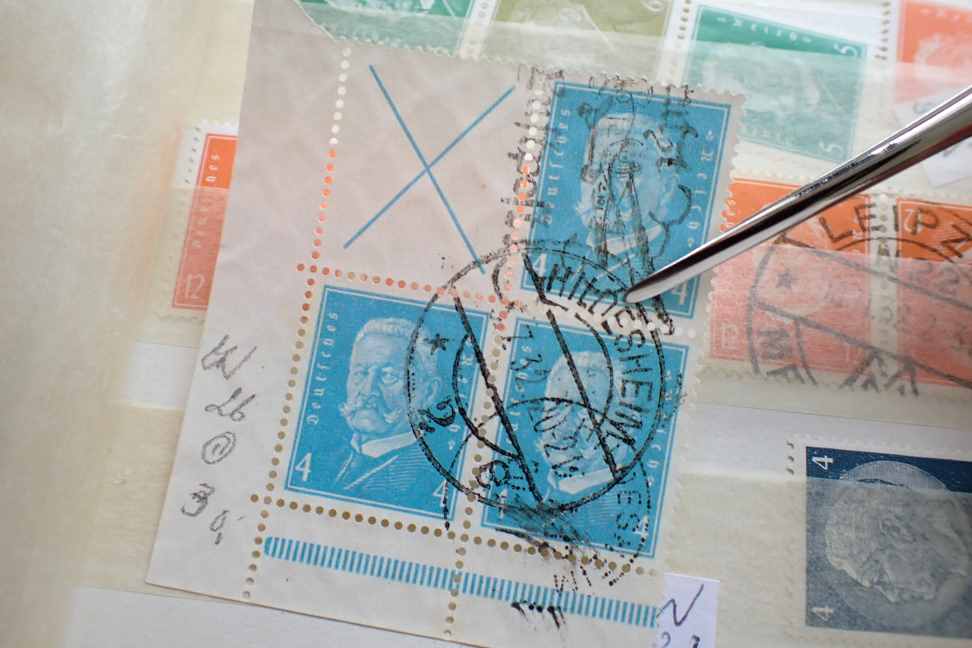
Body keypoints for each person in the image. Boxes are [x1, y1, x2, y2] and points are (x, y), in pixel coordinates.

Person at [575, 101, 690, 281]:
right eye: (592, 171)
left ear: (666, 188)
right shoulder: (574, 257)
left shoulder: (669, 262)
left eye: (623, 171)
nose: (601, 186)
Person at [329, 317, 442, 500]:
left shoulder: (425, 477)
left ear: (428, 392)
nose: (368, 391)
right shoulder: (327, 458)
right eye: (361, 373)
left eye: (389, 376)